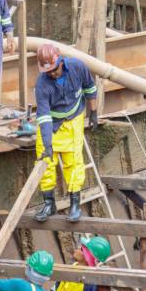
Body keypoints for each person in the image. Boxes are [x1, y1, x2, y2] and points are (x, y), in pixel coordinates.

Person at [33, 43, 99, 223]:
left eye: (54, 69)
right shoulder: (41, 85)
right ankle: (49, 203)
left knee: (74, 160)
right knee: (45, 160)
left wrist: (93, 113)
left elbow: (90, 89)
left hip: (73, 118)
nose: (52, 74)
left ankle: (75, 204)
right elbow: (44, 117)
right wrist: (47, 144)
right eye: (49, 72)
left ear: (61, 61)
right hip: (52, 123)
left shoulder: (77, 67)